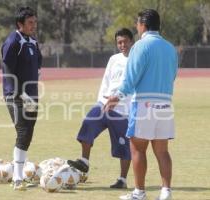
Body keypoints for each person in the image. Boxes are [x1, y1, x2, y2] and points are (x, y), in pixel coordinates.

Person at [104, 9, 178, 200]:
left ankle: (139, 192)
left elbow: (131, 78)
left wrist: (117, 96)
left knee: (137, 148)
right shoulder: (170, 48)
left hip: (144, 104)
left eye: (137, 24)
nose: (136, 27)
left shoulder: (140, 46)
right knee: (162, 151)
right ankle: (166, 192)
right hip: (166, 104)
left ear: (143, 25)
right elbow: (173, 75)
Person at [67, 28, 134, 189]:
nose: (122, 45)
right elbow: (106, 80)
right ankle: (84, 161)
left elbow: (134, 86)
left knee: (123, 146)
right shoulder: (113, 59)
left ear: (132, 41)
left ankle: (122, 180)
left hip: (122, 110)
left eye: (125, 41)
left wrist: (120, 101)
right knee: (88, 124)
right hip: (104, 104)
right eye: (119, 42)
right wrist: (101, 100)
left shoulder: (137, 60)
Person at [1, 6, 42, 191]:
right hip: (16, 95)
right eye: (30, 23)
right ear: (20, 24)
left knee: (29, 133)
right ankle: (17, 178)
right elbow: (8, 70)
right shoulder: (12, 41)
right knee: (23, 131)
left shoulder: (33, 41)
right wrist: (19, 93)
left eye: (35, 22)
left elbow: (37, 65)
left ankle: (19, 172)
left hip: (32, 96)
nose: (34, 25)